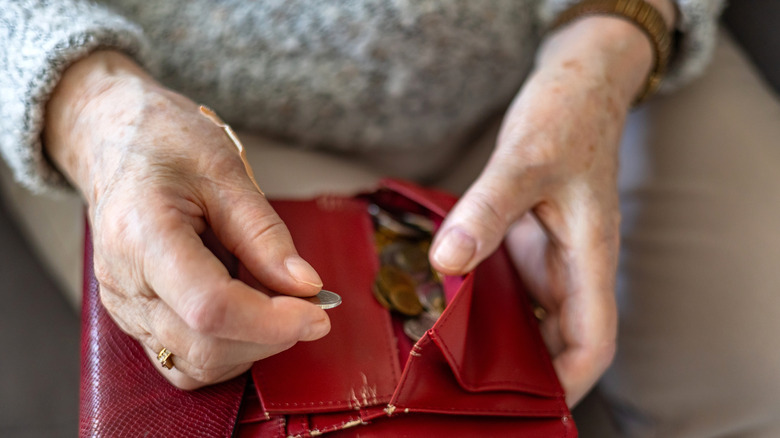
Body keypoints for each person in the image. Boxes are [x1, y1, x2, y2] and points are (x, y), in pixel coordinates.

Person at [6, 1, 779, 436]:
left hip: (574, 57)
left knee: (761, 376)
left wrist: (609, 45)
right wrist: (89, 107)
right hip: (178, 120)